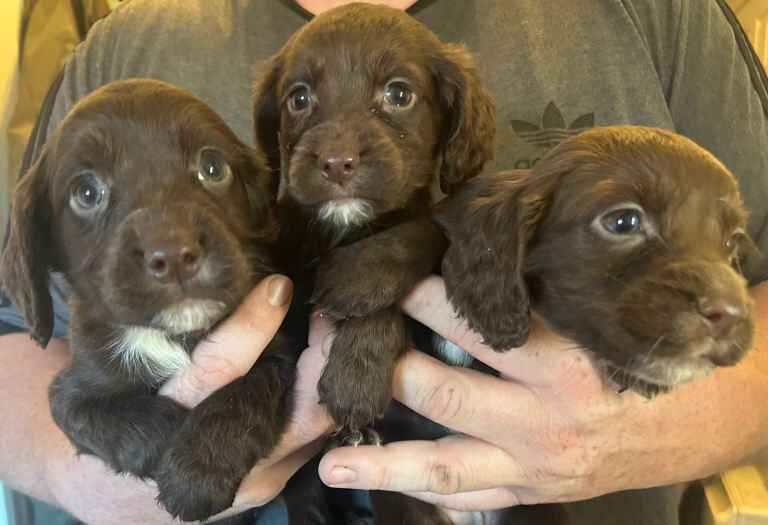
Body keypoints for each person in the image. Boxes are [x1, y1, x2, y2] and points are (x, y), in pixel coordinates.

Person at [1, 0, 766, 524]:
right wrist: (93, 477)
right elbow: (13, 326)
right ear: (269, 143)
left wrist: (670, 415)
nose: (334, 148)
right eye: (301, 105)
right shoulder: (119, 41)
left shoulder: (661, 13)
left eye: (397, 94)